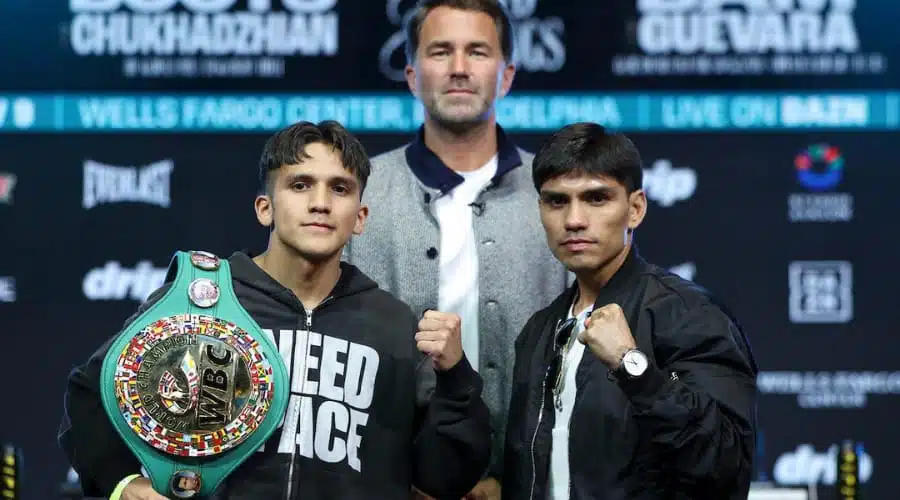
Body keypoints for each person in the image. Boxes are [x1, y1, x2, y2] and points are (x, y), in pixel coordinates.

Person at [58, 120, 492, 500]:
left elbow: (444, 479)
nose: (320, 203)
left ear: (359, 217)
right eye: (300, 185)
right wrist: (122, 483)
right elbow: (87, 396)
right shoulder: (202, 298)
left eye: (339, 188)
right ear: (265, 208)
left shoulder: (394, 326)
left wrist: (455, 378)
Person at [344, 1, 569, 498]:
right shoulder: (356, 192)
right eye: (441, 51)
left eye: (478, 52)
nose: (460, 68)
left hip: (533, 482)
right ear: (411, 74)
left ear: (506, 75)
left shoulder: (559, 196)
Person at [502, 123, 759, 500]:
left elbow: (727, 466)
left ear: (635, 209)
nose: (574, 220)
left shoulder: (687, 313)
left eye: (596, 198)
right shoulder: (540, 329)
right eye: (557, 201)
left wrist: (632, 366)